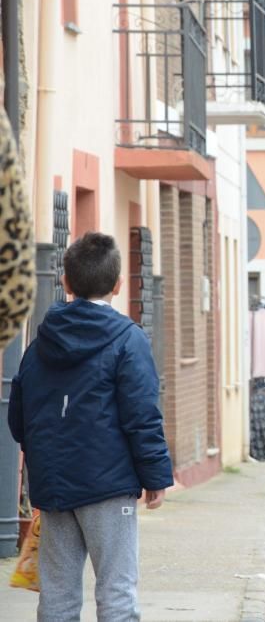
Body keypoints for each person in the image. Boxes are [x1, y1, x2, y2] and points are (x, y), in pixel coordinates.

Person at [8, 232, 173, 620]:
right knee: (116, 593)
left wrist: (43, 457)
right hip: (109, 487)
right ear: (117, 285)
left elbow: (19, 414)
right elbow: (142, 415)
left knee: (57, 596)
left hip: (53, 488)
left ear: (65, 281)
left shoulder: (40, 341)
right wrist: (156, 476)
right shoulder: (128, 340)